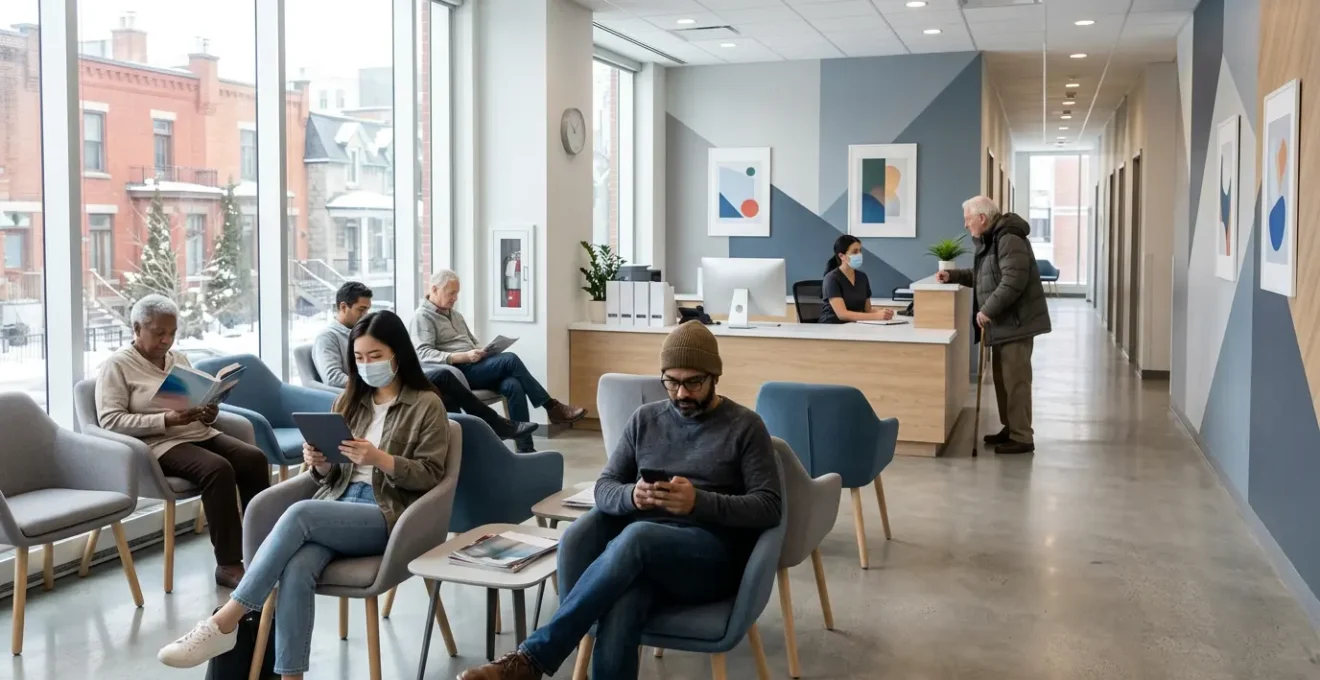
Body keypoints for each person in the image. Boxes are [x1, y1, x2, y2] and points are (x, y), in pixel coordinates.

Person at [458, 321, 783, 680]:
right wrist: (632, 495)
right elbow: (604, 487)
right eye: (671, 382)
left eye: (693, 382)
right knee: (623, 602)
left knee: (639, 536)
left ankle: (532, 659)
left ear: (714, 377)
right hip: (642, 559)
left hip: (711, 561)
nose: (680, 394)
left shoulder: (746, 427)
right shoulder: (645, 420)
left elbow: (769, 506)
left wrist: (699, 502)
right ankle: (532, 661)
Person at [157, 310, 450, 679]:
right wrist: (320, 464)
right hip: (338, 507)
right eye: (359, 358)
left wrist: (380, 459)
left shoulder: (426, 404)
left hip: (388, 513)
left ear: (398, 354)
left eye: (375, 356)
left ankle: (226, 620)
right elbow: (330, 475)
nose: (366, 365)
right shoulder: (349, 402)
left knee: (301, 514)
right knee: (296, 569)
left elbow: (431, 477)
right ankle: (291, 677)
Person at [96, 294, 270, 589]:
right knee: (218, 469)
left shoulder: (178, 359)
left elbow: (195, 404)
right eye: (159, 332)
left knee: (254, 458)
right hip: (157, 445)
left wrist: (209, 410)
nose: (167, 340)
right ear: (137, 329)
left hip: (198, 433)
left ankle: (266, 547)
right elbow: (110, 422)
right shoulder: (117, 366)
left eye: (173, 333)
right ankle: (228, 564)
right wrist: (166, 420)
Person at [314, 281, 535, 442]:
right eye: (361, 310)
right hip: (376, 386)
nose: (366, 315)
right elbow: (332, 377)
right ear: (343, 307)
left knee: (445, 394)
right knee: (444, 375)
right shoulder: (328, 338)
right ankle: (495, 425)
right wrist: (369, 377)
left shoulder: (364, 331)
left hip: (390, 380)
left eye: (368, 309)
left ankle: (466, 442)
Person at [410, 269, 586, 452]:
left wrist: (483, 351)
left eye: (457, 293)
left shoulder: (455, 315)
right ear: (435, 289)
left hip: (475, 365)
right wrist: (463, 356)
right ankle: (551, 407)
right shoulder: (422, 317)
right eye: (451, 293)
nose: (455, 298)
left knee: (513, 385)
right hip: (458, 371)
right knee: (510, 360)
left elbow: (471, 341)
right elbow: (423, 353)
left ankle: (526, 449)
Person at [937, 195, 1051, 454]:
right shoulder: (993, 239)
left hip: (1016, 323)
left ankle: (1022, 436)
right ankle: (1010, 428)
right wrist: (953, 275)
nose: (966, 226)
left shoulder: (1008, 238)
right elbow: (985, 276)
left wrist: (987, 310)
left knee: (1016, 381)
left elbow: (1013, 280)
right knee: (1003, 379)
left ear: (982, 218)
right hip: (1004, 324)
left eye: (968, 220)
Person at [818, 234, 895, 324]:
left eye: (860, 251)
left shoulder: (862, 277)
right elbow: (842, 314)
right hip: (832, 326)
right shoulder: (831, 279)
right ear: (842, 256)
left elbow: (867, 310)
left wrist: (883, 312)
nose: (859, 254)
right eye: (855, 252)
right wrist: (876, 316)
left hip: (854, 325)